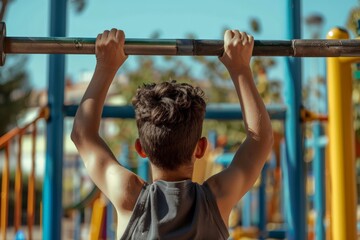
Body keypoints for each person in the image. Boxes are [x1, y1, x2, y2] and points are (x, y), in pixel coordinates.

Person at [71, 28, 273, 240]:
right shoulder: (217, 198)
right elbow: (261, 138)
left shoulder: (128, 195)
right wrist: (240, 68)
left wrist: (105, 66)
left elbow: (83, 134)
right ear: (201, 148)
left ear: (140, 148)